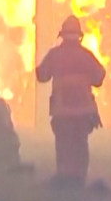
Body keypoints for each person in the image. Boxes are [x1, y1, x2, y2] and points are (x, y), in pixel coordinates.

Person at [36, 15, 107, 189]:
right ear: (79, 36)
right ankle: (79, 178)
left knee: (63, 144)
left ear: (62, 35)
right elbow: (99, 77)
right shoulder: (86, 55)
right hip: (83, 112)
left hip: (62, 111)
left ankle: (64, 177)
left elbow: (42, 76)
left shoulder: (55, 55)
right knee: (80, 144)